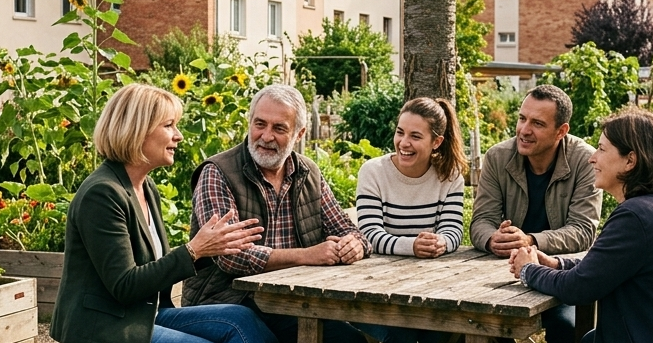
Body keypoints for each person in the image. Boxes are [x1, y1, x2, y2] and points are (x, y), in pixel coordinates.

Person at [50, 84, 277, 343]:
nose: (178, 135)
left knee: (241, 319)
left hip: (146, 314)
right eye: (169, 125)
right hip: (106, 326)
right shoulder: (102, 194)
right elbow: (125, 286)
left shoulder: (145, 186)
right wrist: (194, 250)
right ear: (137, 130)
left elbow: (151, 265)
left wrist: (215, 247)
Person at [509, 107, 653, 343]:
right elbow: (604, 267)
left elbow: (578, 288)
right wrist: (556, 263)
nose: (592, 157)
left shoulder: (637, 216)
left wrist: (528, 270)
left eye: (602, 149)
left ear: (630, 160)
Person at [181, 84, 371, 343]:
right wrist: (308, 256)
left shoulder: (307, 172)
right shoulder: (218, 172)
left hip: (291, 301)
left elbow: (346, 229)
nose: (266, 136)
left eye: (279, 128)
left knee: (350, 340)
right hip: (228, 301)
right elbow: (230, 257)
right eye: (260, 124)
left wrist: (354, 245)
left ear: (299, 133)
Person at [469, 84, 601, 343]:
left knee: (565, 327)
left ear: (561, 131)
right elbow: (481, 221)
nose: (524, 130)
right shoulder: (498, 157)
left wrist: (530, 240)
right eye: (521, 119)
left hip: (560, 272)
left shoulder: (585, 160)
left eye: (537, 123)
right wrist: (491, 239)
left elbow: (583, 231)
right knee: (478, 323)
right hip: (502, 274)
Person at [349, 97, 467, 343]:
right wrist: (411, 246)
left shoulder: (450, 176)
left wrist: (441, 242)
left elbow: (454, 230)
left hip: (433, 288)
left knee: (442, 332)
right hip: (378, 288)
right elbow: (369, 234)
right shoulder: (374, 172)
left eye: (415, 136)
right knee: (402, 335)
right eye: (400, 132)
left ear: (436, 142)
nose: (404, 143)